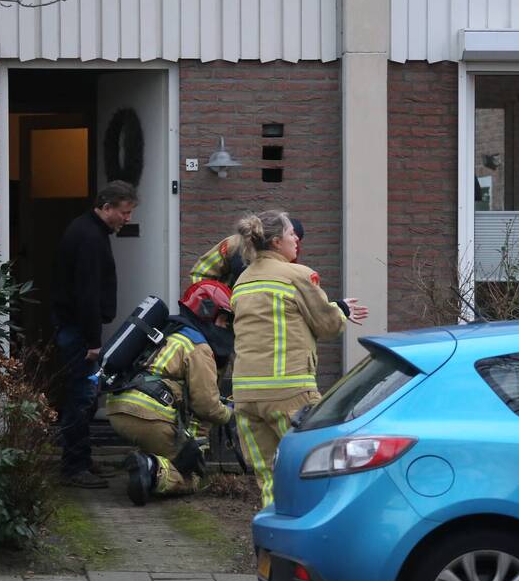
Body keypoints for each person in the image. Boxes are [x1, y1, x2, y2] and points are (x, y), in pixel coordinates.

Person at [230, 210, 368, 507]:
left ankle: (271, 530)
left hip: (245, 396)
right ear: (277, 242)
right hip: (289, 392)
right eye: (292, 233)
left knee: (268, 475)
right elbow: (327, 325)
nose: (296, 239)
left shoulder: (243, 280)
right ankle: (309, 531)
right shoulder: (298, 275)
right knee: (312, 467)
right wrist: (341, 310)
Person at [107, 280, 236, 505]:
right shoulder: (199, 347)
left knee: (167, 445)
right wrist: (229, 413)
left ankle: (147, 460)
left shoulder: (168, 331)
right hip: (149, 416)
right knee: (191, 475)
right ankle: (150, 468)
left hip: (118, 408)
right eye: (224, 319)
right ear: (207, 312)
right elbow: (206, 406)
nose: (226, 327)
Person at [52, 180, 138, 489]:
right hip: (79, 331)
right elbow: (86, 293)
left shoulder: (87, 230)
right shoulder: (90, 237)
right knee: (82, 397)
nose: (127, 218)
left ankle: (81, 460)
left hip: (76, 328)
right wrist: (92, 341)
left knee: (84, 396)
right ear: (106, 207)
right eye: (124, 212)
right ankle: (74, 467)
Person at [189, 219, 305, 286]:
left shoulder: (290, 253)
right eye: (290, 234)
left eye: (296, 238)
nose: (294, 240)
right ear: (276, 239)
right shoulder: (233, 244)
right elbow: (200, 274)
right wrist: (214, 307)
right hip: (226, 310)